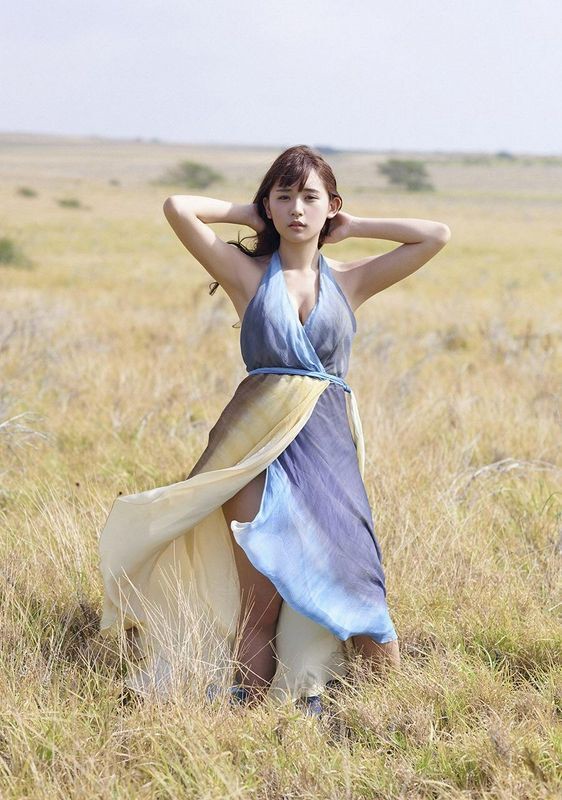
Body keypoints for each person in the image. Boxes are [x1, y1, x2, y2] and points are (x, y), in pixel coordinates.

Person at [98, 144, 450, 715]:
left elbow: (435, 235)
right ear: (269, 205)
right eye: (283, 197)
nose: (297, 209)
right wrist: (251, 213)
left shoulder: (352, 280)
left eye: (310, 197)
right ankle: (245, 716)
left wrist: (354, 224)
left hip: (328, 452)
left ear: (330, 205)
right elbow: (177, 207)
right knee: (258, 602)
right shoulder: (245, 275)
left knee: (360, 590)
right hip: (254, 449)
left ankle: (385, 715)